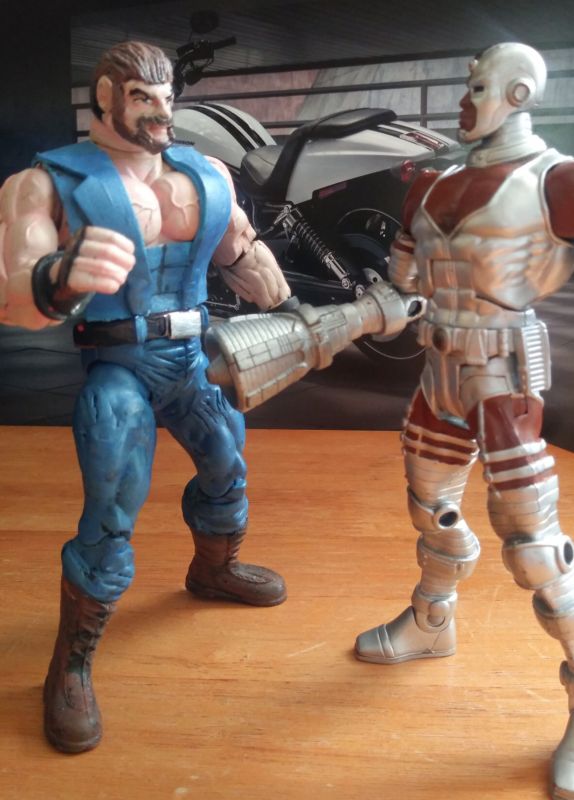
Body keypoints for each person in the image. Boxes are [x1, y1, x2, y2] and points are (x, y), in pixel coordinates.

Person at [0, 41, 292, 754]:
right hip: (119, 367)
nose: (160, 111)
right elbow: (13, 293)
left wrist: (286, 303)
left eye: (166, 97)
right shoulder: (45, 183)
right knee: (112, 508)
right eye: (142, 98)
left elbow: (241, 251)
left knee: (226, 465)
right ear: (106, 98)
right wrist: (58, 277)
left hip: (192, 359)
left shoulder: (205, 174)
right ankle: (70, 664)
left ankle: (212, 570)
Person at [353, 42, 574, 799]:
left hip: (503, 376)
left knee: (533, 545)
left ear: (519, 93)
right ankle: (431, 620)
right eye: (467, 85)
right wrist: (351, 316)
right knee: (430, 508)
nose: (463, 100)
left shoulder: (555, 180)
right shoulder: (431, 181)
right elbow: (402, 286)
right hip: (439, 369)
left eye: (478, 87)